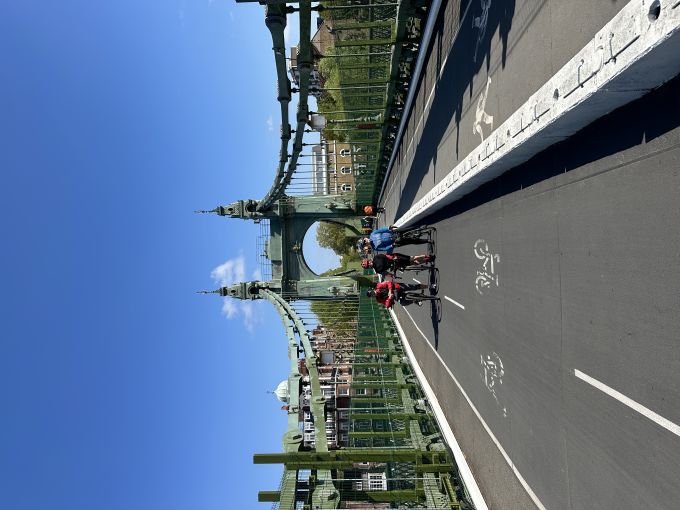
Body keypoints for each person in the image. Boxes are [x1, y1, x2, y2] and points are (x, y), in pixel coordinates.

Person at [366, 280, 436, 308]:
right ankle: (414, 300)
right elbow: (386, 305)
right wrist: (389, 298)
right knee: (403, 303)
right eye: (371, 295)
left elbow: (388, 282)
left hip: (397, 287)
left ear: (372, 290)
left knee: (413, 286)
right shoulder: (378, 299)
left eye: (372, 292)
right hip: (396, 296)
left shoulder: (379, 286)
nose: (373, 294)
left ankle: (430, 286)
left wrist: (390, 290)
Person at [360, 226, 431, 254]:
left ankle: (421, 228)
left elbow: (382, 230)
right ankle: (427, 241)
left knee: (408, 229)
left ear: (365, 238)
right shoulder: (375, 248)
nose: (366, 242)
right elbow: (385, 248)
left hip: (393, 233)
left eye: (365, 241)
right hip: (394, 242)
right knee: (410, 241)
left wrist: (389, 228)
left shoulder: (373, 234)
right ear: (366, 245)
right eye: (365, 244)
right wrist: (391, 246)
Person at [362, 253, 434, 276]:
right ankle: (426, 260)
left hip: (396, 258)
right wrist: (392, 275)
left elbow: (386, 255)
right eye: (368, 265)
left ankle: (425, 256)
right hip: (396, 265)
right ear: (369, 267)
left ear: (369, 260)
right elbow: (385, 273)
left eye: (369, 263)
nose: (370, 264)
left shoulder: (376, 257)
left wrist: (392, 257)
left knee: (412, 258)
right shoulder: (377, 270)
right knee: (413, 263)